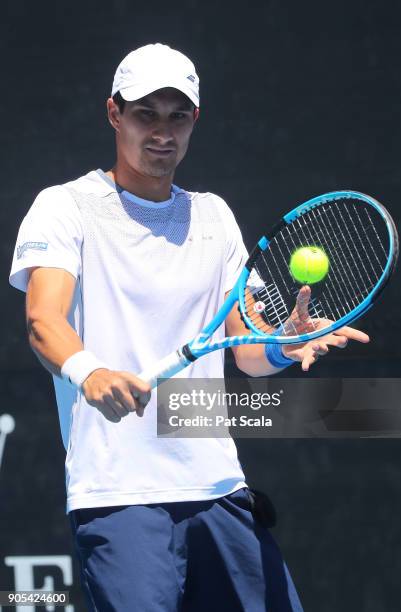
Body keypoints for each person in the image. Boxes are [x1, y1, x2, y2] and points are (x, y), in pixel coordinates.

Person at [9, 43, 369, 611]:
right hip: (119, 498)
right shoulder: (64, 207)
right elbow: (42, 320)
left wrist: (285, 343)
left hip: (218, 490)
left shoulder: (214, 216)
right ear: (114, 114)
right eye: (145, 113)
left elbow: (248, 348)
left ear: (194, 121)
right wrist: (90, 371)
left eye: (178, 115)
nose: (162, 131)